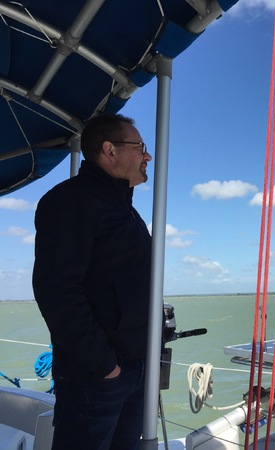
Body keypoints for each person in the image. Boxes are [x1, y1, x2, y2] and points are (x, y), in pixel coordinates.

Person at [33, 113, 153, 450]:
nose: (148, 156)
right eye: (140, 147)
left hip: (132, 369)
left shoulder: (126, 211)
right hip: (96, 376)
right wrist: (104, 366)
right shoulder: (71, 201)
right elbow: (56, 290)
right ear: (109, 150)